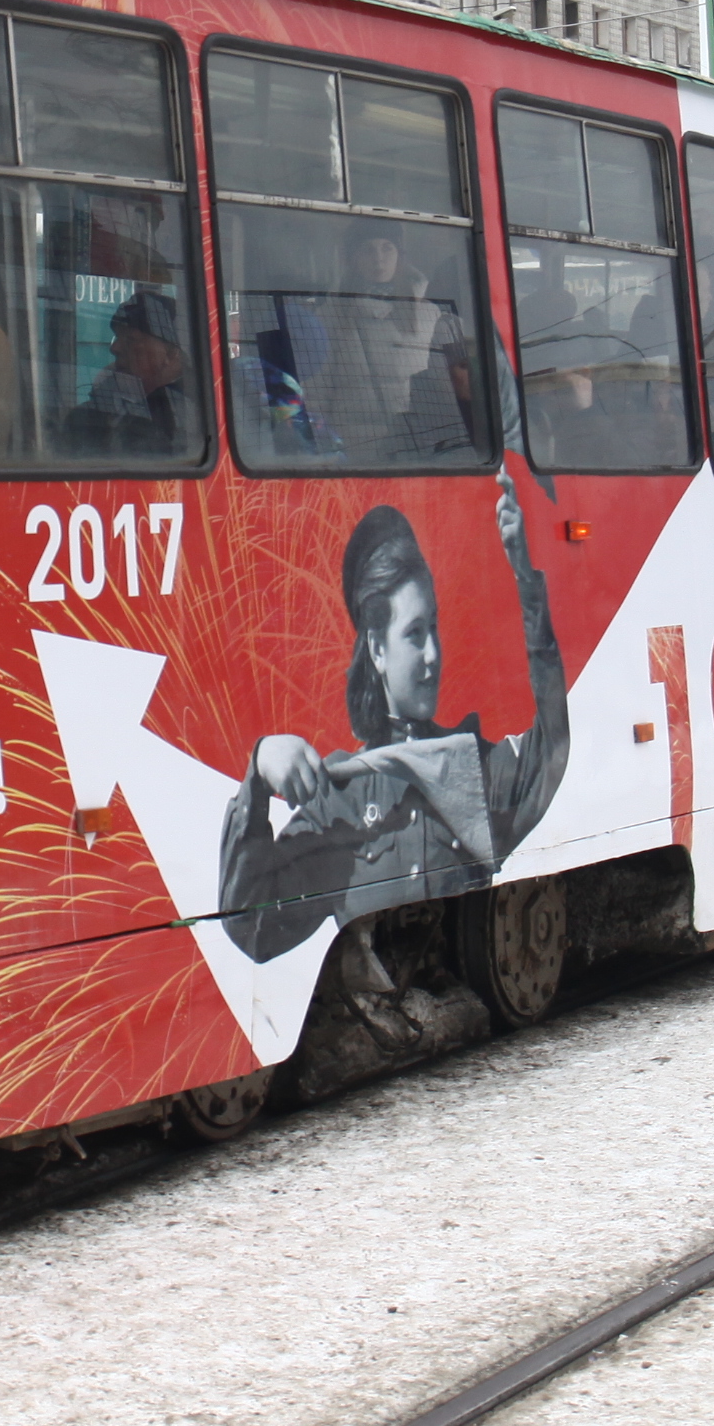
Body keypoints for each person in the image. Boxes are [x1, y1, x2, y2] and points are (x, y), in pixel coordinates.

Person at [216, 470, 569, 961]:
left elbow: (550, 749)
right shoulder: (338, 796)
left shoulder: (468, 766)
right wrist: (256, 773)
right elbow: (253, 928)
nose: (432, 655)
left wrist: (525, 580)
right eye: (415, 633)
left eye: (435, 629)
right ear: (378, 648)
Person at [327, 225, 480, 458]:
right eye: (368, 250)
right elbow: (317, 391)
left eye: (387, 248)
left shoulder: (431, 315)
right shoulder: (331, 315)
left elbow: (449, 387)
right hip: (352, 448)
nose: (379, 258)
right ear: (354, 258)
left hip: (419, 443)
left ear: (399, 255)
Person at [70, 291, 196, 457]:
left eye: (131, 340)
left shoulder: (189, 412)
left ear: (172, 353)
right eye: (117, 337)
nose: (114, 348)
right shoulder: (108, 395)